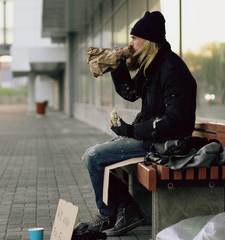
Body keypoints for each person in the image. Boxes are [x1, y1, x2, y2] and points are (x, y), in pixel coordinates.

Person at [78, 11, 197, 236]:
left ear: (148, 40)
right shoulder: (150, 65)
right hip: (151, 137)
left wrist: (131, 130)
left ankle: (112, 213)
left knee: (93, 156)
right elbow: (131, 93)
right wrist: (118, 65)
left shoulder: (172, 69)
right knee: (103, 155)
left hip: (166, 143)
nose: (130, 43)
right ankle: (122, 209)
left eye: (134, 38)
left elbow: (174, 121)